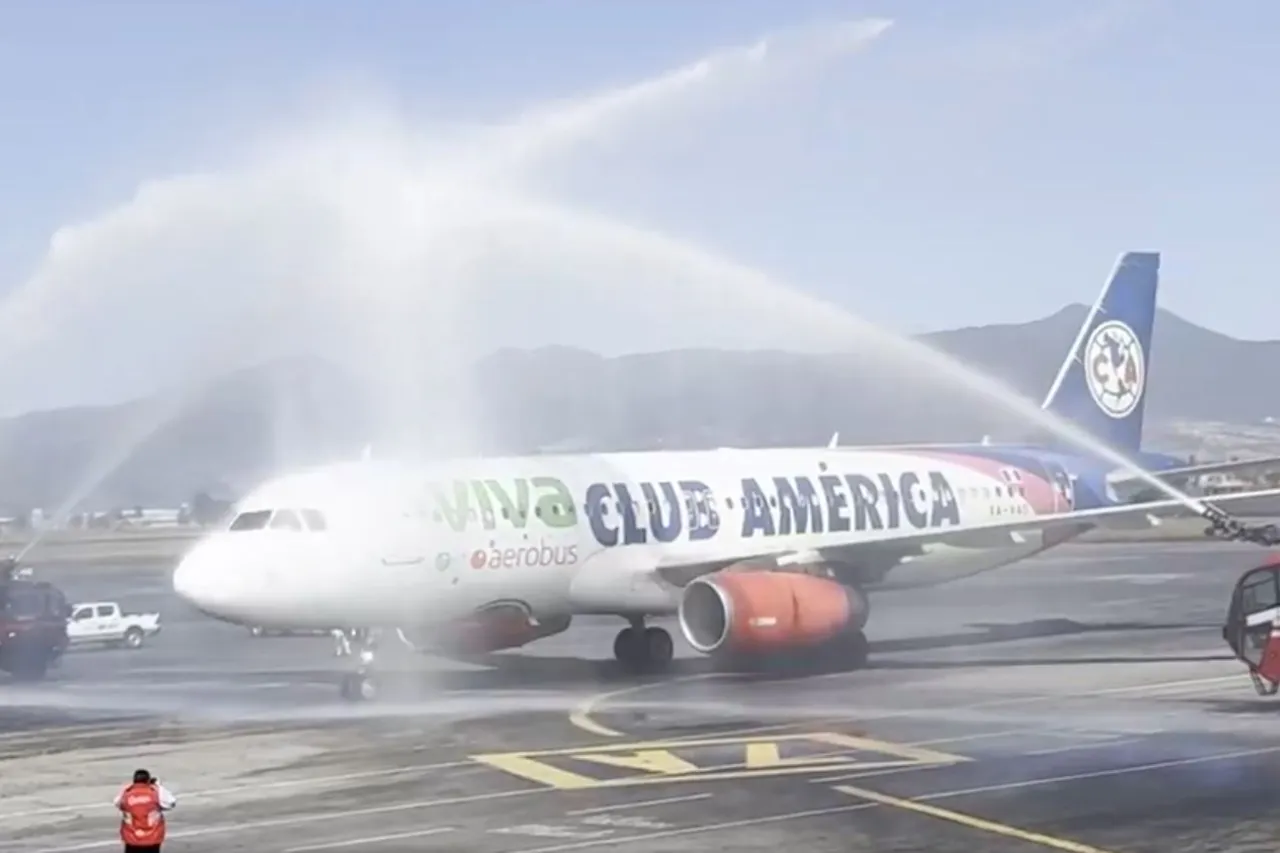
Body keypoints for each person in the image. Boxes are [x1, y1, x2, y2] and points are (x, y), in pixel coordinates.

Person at [113, 769, 176, 853]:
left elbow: (117, 803)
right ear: (148, 780)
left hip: (132, 838)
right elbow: (171, 802)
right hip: (152, 837)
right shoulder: (155, 792)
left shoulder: (126, 793)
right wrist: (158, 786)